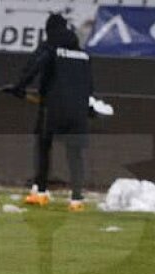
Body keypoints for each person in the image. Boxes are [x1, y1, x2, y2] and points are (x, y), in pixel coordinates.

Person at [5, 13, 94, 211]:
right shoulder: (84, 55)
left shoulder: (50, 48)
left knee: (43, 146)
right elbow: (89, 86)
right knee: (75, 154)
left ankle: (42, 191)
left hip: (53, 107)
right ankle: (76, 199)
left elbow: (34, 67)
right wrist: (88, 108)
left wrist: (18, 87)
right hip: (78, 110)